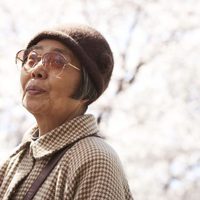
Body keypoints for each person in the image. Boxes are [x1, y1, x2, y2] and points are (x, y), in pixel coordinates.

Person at [0, 24, 133, 200]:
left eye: (56, 61)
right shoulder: (14, 159)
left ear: (86, 86)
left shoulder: (94, 159)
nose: (36, 70)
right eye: (31, 58)